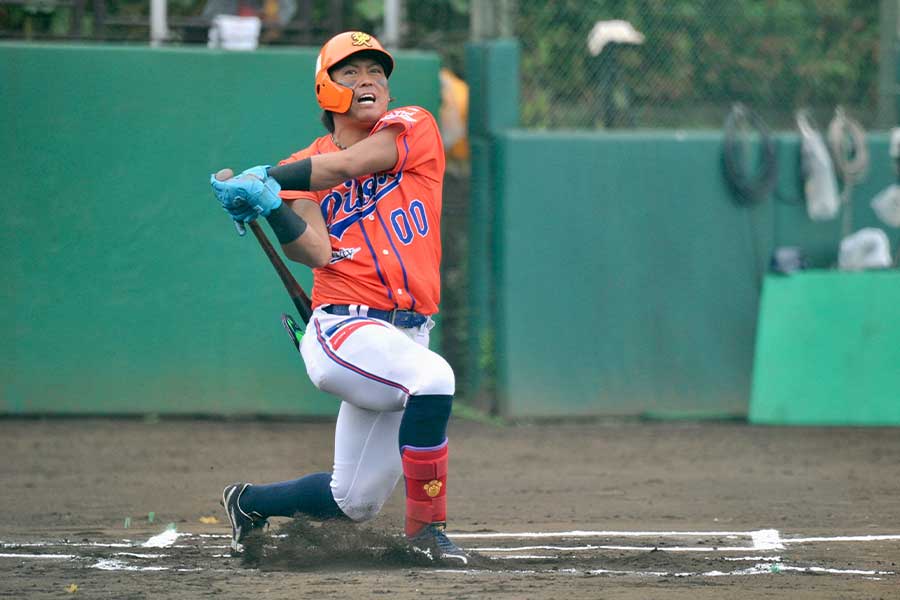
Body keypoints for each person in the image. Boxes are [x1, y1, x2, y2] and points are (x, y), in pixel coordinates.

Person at [209, 30, 467, 564]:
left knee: (352, 501)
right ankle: (427, 536)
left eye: (376, 71)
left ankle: (249, 503)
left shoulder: (413, 126)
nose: (368, 79)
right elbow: (315, 251)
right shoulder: (305, 165)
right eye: (350, 72)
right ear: (325, 90)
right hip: (344, 328)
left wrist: (266, 180)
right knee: (434, 378)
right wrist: (271, 205)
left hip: (407, 332)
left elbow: (350, 165)